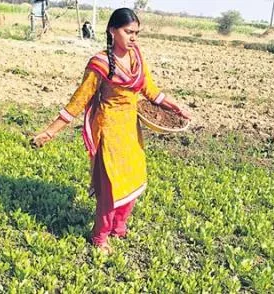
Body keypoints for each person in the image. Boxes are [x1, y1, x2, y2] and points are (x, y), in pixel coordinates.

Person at [31, 8, 190, 253]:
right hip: (107, 129)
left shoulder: (137, 57)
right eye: (128, 32)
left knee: (135, 176)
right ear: (112, 31)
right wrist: (50, 132)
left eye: (136, 32)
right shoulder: (100, 64)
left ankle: (119, 225)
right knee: (111, 185)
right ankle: (100, 236)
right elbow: (78, 101)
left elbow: (151, 91)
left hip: (130, 129)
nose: (133, 37)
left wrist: (176, 107)